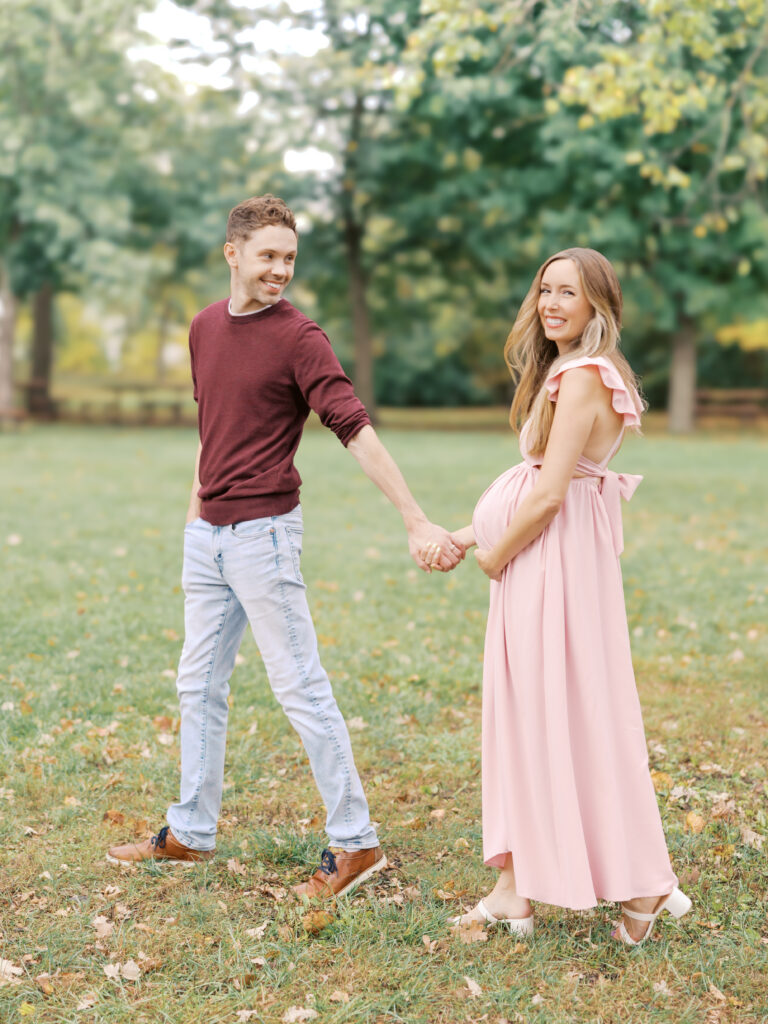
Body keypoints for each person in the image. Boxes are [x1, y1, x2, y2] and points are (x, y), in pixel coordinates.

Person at [107, 194, 464, 897]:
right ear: (232, 252)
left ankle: (357, 844)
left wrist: (415, 518)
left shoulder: (302, 338)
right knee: (197, 683)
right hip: (207, 535)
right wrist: (192, 527)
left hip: (265, 538)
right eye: (268, 255)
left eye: (290, 258)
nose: (280, 270)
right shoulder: (204, 328)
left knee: (299, 686)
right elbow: (214, 434)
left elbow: (355, 429)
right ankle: (190, 831)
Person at [448, 248, 691, 945]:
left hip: (548, 564)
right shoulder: (569, 371)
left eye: (569, 294)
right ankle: (513, 885)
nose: (552, 303)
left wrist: (494, 552)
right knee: (539, 711)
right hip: (549, 558)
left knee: (560, 711)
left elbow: (550, 494)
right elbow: (542, 486)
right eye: (545, 290)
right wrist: (469, 536)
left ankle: (640, 882)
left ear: (597, 308)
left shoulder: (583, 376)